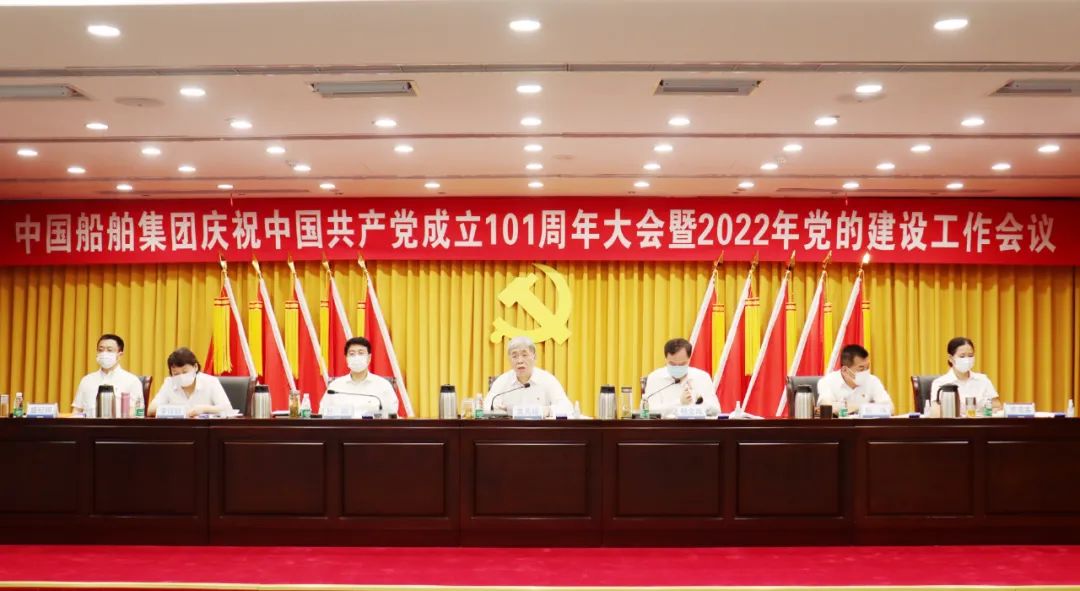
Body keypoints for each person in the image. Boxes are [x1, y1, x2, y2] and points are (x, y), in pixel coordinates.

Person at [484, 336, 572, 417]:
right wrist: (497, 409)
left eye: (524, 355)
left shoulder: (548, 380)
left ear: (534, 357)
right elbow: (486, 407)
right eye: (514, 356)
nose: (520, 361)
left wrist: (548, 410)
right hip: (511, 428)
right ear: (509, 359)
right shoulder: (502, 381)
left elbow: (568, 409)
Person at [320, 336, 398, 417]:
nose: (356, 357)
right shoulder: (335, 387)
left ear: (369, 358)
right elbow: (322, 414)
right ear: (346, 358)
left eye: (361, 353)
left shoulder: (383, 385)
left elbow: (391, 416)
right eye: (352, 354)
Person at [642, 337, 721, 416]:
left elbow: (717, 410)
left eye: (682, 364)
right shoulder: (655, 378)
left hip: (697, 423)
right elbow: (649, 412)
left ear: (689, 360)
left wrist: (700, 402)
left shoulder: (702, 377)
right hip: (667, 424)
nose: (677, 367)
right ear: (665, 359)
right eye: (672, 364)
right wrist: (679, 402)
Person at [147, 347, 233, 417]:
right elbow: (151, 410)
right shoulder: (169, 383)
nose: (181, 377)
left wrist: (204, 409)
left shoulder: (211, 382)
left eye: (185, 372)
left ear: (195, 367)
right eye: (176, 374)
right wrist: (176, 410)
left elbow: (227, 409)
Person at [72, 334, 144, 417]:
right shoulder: (87, 380)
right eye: (100, 350)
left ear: (120, 355)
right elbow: (77, 410)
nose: (104, 353)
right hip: (90, 425)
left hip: (120, 425)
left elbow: (140, 412)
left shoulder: (132, 381)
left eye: (109, 350)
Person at [930, 336, 1001, 416]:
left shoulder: (983, 380)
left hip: (980, 422)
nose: (967, 360)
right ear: (950, 358)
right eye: (962, 356)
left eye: (970, 355)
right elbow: (936, 414)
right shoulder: (940, 383)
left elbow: (997, 407)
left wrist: (979, 415)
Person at [816, 344, 893, 416]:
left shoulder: (873, 381)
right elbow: (826, 407)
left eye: (867, 367)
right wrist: (866, 408)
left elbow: (890, 408)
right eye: (861, 369)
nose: (866, 372)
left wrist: (856, 407)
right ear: (845, 370)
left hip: (865, 425)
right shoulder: (827, 381)